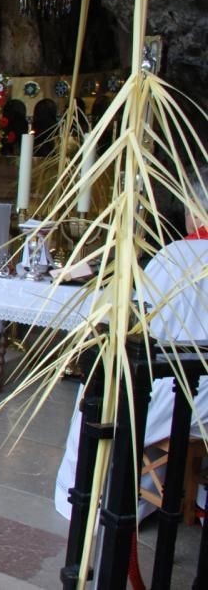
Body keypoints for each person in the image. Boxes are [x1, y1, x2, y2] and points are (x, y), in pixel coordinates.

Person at [54, 165, 208, 521]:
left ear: (196, 208)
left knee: (98, 393)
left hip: (179, 388)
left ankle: (95, 498)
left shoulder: (177, 256)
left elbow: (140, 326)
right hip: (201, 388)